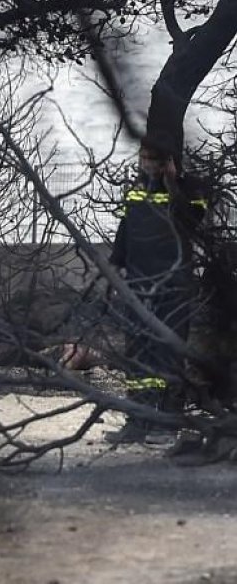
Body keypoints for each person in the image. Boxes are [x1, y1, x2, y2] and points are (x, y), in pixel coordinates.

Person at [104, 134, 206, 445]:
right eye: (142, 158)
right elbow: (125, 233)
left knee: (168, 353)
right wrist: (114, 270)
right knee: (138, 354)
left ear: (167, 163)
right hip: (138, 285)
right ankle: (138, 419)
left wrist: (174, 183)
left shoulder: (191, 189)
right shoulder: (135, 192)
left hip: (172, 288)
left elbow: (192, 220)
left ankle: (167, 422)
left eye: (152, 159)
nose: (145, 164)